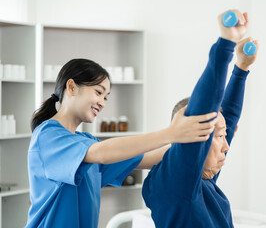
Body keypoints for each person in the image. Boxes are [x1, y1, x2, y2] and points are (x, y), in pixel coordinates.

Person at [25, 58, 218, 228]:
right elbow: (102, 153)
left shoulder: (86, 142)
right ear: (72, 87)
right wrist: (171, 133)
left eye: (106, 97)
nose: (102, 102)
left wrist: (202, 144)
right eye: (98, 92)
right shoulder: (48, 136)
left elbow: (148, 159)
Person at [142, 10, 259, 227]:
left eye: (224, 136)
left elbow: (228, 117)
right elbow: (204, 111)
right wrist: (226, 42)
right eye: (218, 137)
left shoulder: (202, 180)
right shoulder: (178, 183)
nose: (226, 146)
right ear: (192, 137)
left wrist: (241, 68)